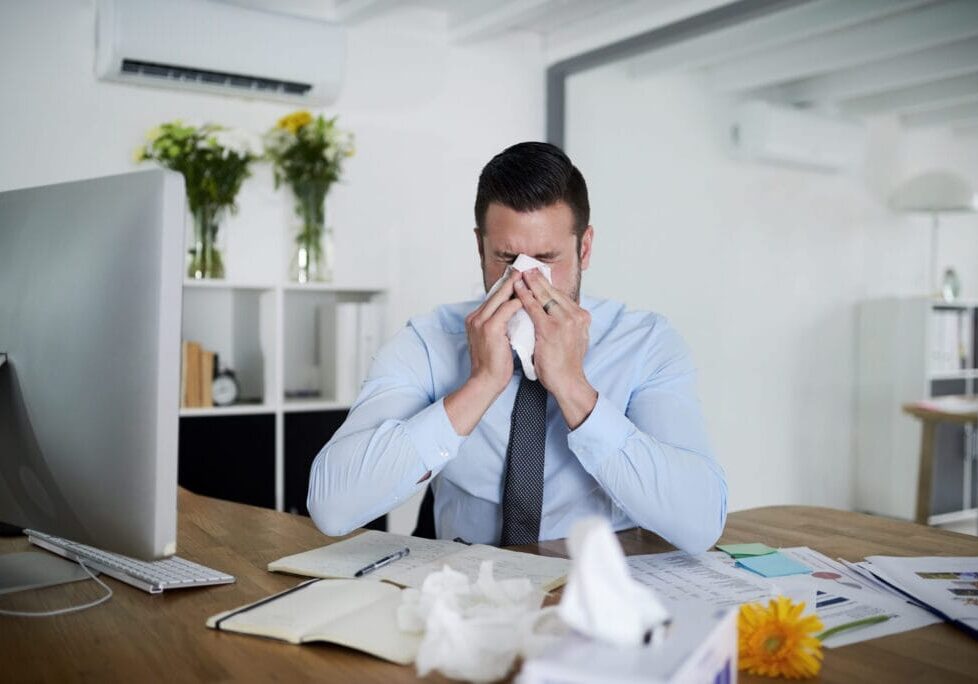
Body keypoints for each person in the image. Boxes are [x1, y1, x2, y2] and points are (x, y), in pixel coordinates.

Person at [307, 142, 727, 552]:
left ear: (585, 248)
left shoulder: (645, 344)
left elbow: (699, 524)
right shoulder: (429, 341)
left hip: (595, 595)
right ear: (480, 248)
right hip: (464, 592)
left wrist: (572, 387)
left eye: (548, 258)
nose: (526, 282)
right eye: (507, 260)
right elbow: (332, 507)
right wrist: (481, 383)